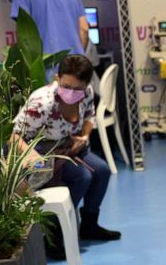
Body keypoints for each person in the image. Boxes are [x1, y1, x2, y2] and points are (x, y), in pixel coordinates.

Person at [13, 54, 121, 252]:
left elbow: (89, 116)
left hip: (70, 146)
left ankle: (89, 225)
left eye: (77, 88)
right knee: (82, 177)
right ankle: (55, 233)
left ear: (87, 84)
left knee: (103, 171)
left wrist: (85, 136)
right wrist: (32, 157)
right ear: (57, 78)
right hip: (41, 151)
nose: (71, 92)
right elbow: (14, 136)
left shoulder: (86, 92)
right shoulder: (41, 102)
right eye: (66, 86)